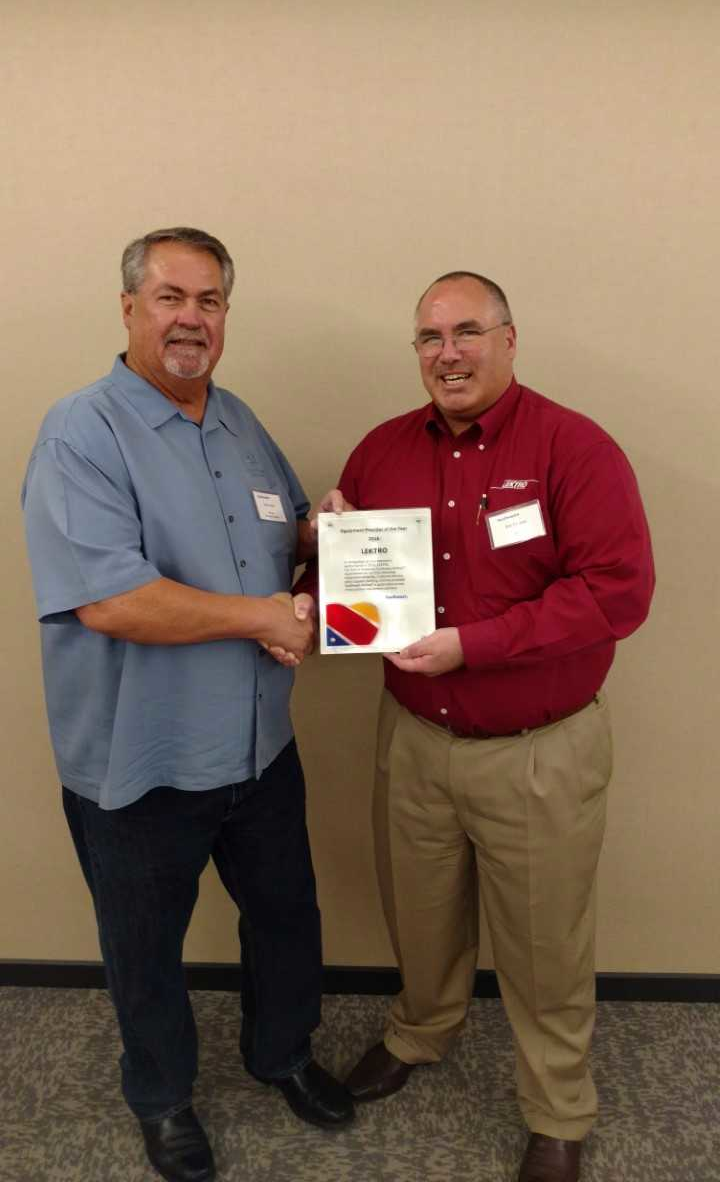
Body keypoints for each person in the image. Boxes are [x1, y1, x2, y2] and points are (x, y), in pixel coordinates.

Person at [21, 227, 353, 1182]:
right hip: (143, 759)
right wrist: (264, 614)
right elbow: (113, 598)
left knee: (287, 914)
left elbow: (279, 542)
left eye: (209, 302)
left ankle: (281, 1054)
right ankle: (161, 1100)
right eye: (170, 298)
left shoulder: (239, 422)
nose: (190, 319)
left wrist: (325, 536)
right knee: (145, 949)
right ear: (128, 308)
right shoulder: (81, 431)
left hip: (257, 746)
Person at [307, 271, 654, 1182]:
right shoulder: (381, 451)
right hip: (415, 739)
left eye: (467, 332)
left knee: (545, 944)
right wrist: (323, 546)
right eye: (429, 338)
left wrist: (476, 646)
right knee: (417, 916)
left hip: (537, 751)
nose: (447, 353)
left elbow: (617, 593)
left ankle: (558, 1110)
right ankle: (421, 1032)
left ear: (509, 339)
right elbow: (352, 587)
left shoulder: (574, 448)